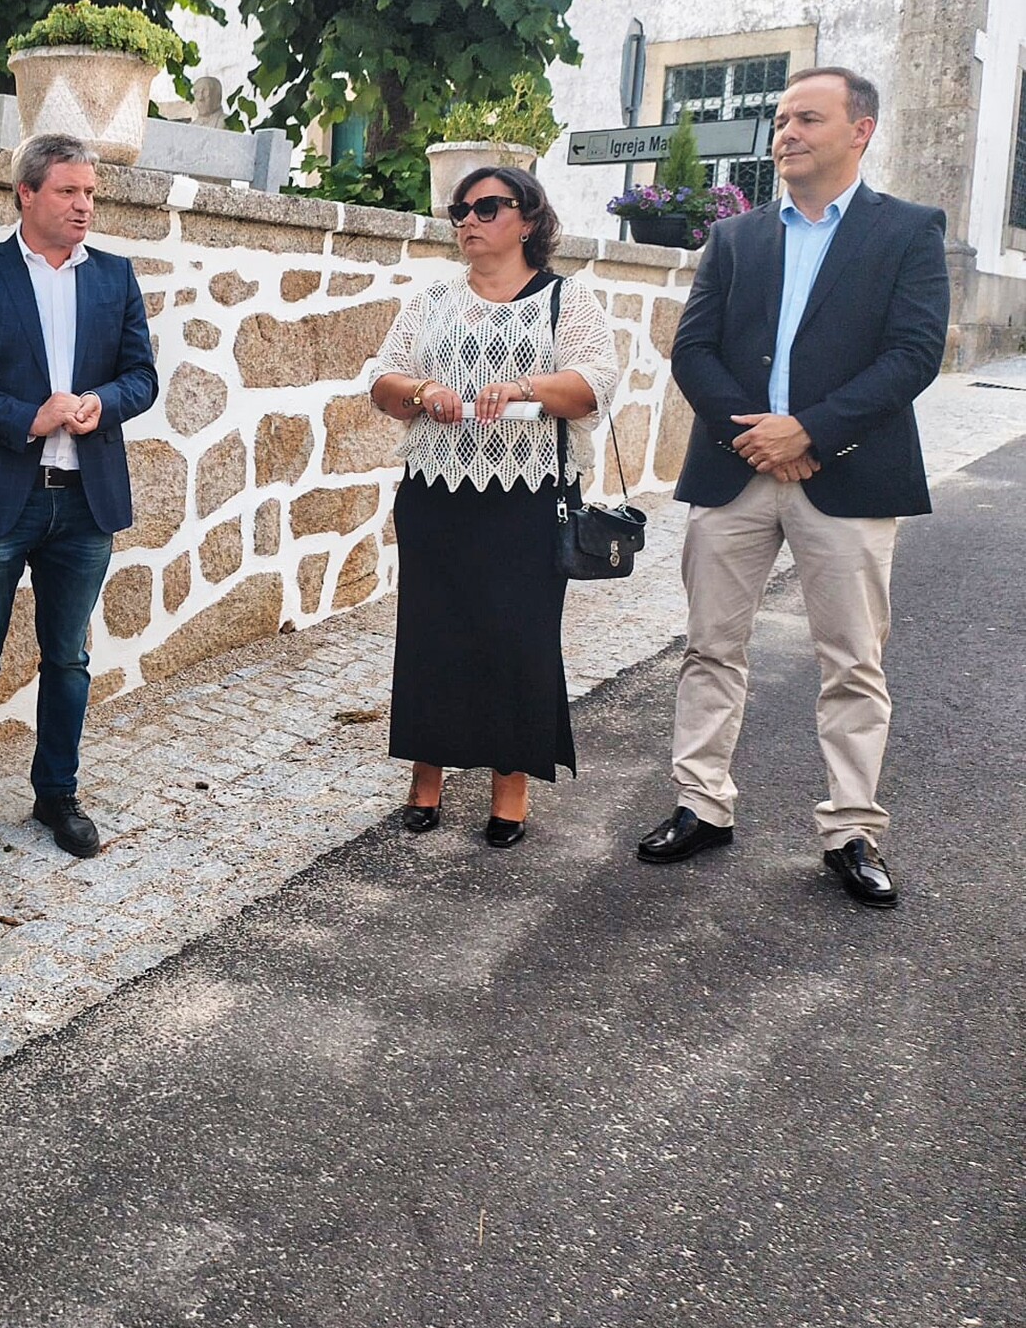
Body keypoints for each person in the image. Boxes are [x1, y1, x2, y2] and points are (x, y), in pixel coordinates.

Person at [636, 66, 948, 908]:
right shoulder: (736, 238)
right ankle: (702, 804)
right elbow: (693, 349)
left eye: (807, 118)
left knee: (852, 660)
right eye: (780, 119)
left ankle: (852, 830)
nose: (786, 133)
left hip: (849, 474)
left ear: (861, 130)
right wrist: (759, 436)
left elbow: (914, 354)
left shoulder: (908, 231)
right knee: (710, 646)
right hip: (734, 471)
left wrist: (809, 431)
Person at [0, 132, 159, 861]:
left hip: (85, 502)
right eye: (68, 191)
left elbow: (142, 377)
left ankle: (57, 793)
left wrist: (101, 402)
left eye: (90, 192)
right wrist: (29, 417)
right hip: (1, 497)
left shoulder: (115, 276)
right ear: (26, 194)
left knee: (68, 659)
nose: (84, 205)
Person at [369, 167, 620, 846]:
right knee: (432, 632)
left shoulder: (567, 300)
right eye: (460, 210)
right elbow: (382, 379)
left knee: (518, 638)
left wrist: (521, 388)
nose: (468, 221)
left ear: (528, 220)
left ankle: (510, 789)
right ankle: (425, 779)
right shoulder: (431, 300)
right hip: (436, 493)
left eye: (487, 207)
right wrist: (423, 391)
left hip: (530, 498)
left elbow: (593, 384)